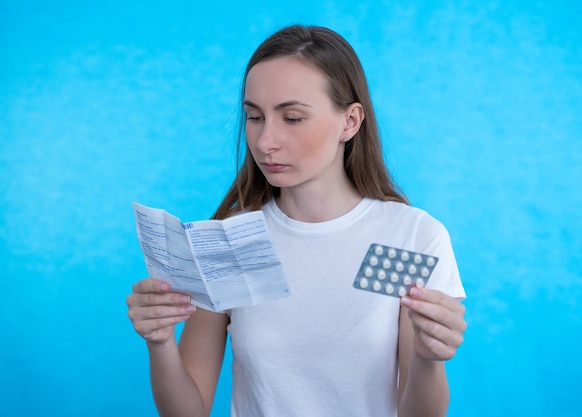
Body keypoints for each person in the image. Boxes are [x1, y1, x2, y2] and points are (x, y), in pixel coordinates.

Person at [127, 24, 467, 417]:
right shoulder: (232, 243)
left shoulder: (409, 236)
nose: (264, 141)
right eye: (254, 117)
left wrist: (428, 359)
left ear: (350, 121)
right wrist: (160, 342)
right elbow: (186, 412)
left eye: (291, 118)